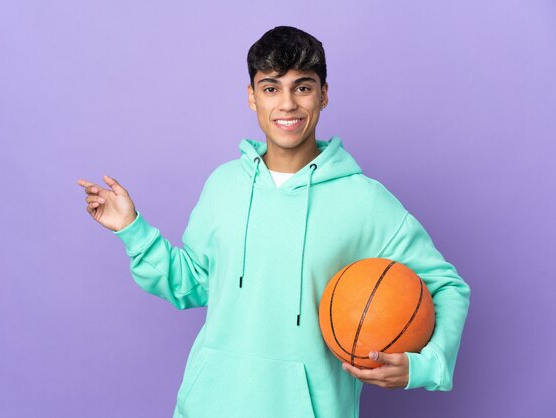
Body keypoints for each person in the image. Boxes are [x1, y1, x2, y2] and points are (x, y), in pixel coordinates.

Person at [77, 26, 470, 418]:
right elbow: (191, 284)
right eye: (270, 88)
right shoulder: (223, 184)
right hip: (207, 406)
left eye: (302, 87)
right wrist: (132, 230)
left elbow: (447, 287)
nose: (287, 104)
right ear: (251, 97)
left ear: (323, 94)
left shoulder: (365, 201)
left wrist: (425, 364)